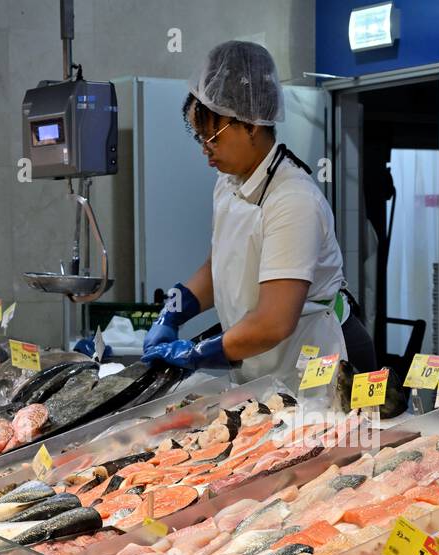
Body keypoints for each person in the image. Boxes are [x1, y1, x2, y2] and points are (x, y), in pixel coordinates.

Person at [142, 40, 376, 383]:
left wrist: (196, 354)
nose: (205, 151)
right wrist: (171, 314)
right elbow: (217, 266)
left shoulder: (293, 200)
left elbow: (273, 321)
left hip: (322, 360)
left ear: (251, 124)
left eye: (213, 138)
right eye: (200, 138)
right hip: (265, 357)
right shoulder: (228, 182)